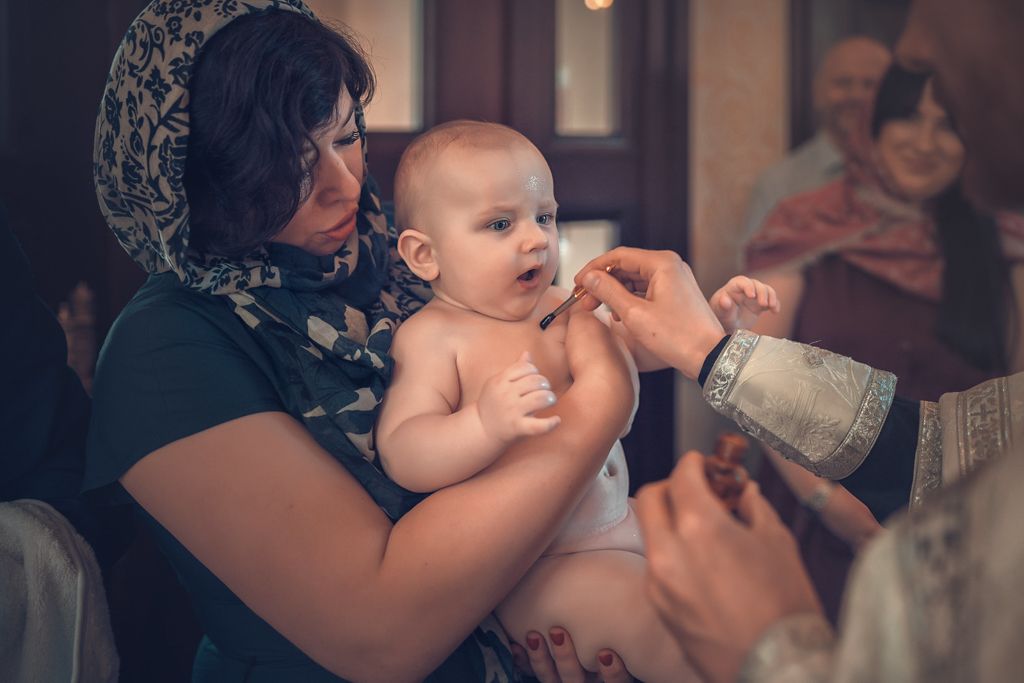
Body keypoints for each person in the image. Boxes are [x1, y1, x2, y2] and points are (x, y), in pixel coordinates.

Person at [84, 2, 641, 681]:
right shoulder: (165, 351)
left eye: (346, 136)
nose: (345, 185)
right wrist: (598, 410)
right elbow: (381, 631)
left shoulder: (402, 255)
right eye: (288, 165)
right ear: (197, 181)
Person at [556, 1, 1024, 680]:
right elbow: (946, 444)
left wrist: (774, 651)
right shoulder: (808, 218)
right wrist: (708, 348)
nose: (915, 45)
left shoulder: (988, 240)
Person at [376, 119, 779, 682]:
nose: (536, 238)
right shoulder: (434, 337)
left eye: (544, 216)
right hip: (545, 568)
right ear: (425, 255)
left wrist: (714, 325)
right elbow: (404, 450)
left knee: (735, 588)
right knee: (664, 630)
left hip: (623, 522)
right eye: (499, 223)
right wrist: (483, 424)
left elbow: (639, 350)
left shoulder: (561, 303)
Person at [744, 62, 1023, 623]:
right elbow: (752, 374)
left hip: (960, 537)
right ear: (874, 125)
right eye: (908, 119)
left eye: (946, 125)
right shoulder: (807, 222)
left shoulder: (1003, 239)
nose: (925, 143)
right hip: (815, 518)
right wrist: (835, 506)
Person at [742, 37, 891, 245]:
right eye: (843, 82)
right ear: (818, 92)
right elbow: (755, 269)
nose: (857, 95)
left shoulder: (912, 178)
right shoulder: (777, 185)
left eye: (870, 84)